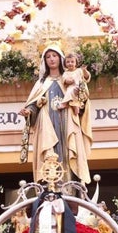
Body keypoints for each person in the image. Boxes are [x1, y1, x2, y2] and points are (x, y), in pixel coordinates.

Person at [20, 45, 93, 186]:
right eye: (48, 57)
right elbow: (33, 105)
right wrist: (29, 112)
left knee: (69, 152)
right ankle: (50, 190)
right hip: (47, 125)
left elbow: (83, 101)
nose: (51, 59)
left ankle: (71, 190)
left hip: (68, 124)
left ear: (61, 58)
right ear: (44, 61)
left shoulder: (69, 78)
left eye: (54, 55)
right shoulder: (41, 83)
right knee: (50, 157)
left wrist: (79, 96)